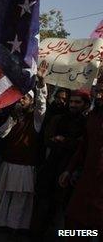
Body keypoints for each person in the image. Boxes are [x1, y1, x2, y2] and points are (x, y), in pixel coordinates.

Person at [0, 65, 48, 232]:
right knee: (4, 197)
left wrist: (41, 82)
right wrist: (12, 118)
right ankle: (1, 226)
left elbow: (42, 105)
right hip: (9, 164)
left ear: (31, 101)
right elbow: (2, 134)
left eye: (24, 99)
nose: (21, 101)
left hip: (25, 167)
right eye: (20, 98)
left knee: (20, 199)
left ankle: (15, 229)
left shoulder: (36, 120)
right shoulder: (14, 116)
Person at [33, 90, 90, 238]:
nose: (73, 105)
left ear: (85, 105)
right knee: (43, 206)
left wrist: (65, 141)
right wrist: (66, 142)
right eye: (71, 101)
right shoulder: (58, 119)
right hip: (51, 169)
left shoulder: (87, 124)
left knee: (62, 212)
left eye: (78, 102)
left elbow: (82, 147)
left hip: (70, 173)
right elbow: (48, 140)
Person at [59, 77, 103, 238]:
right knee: (73, 227)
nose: (98, 96)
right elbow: (83, 147)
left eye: (102, 92)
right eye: (97, 91)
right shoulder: (93, 117)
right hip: (87, 183)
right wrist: (69, 170)